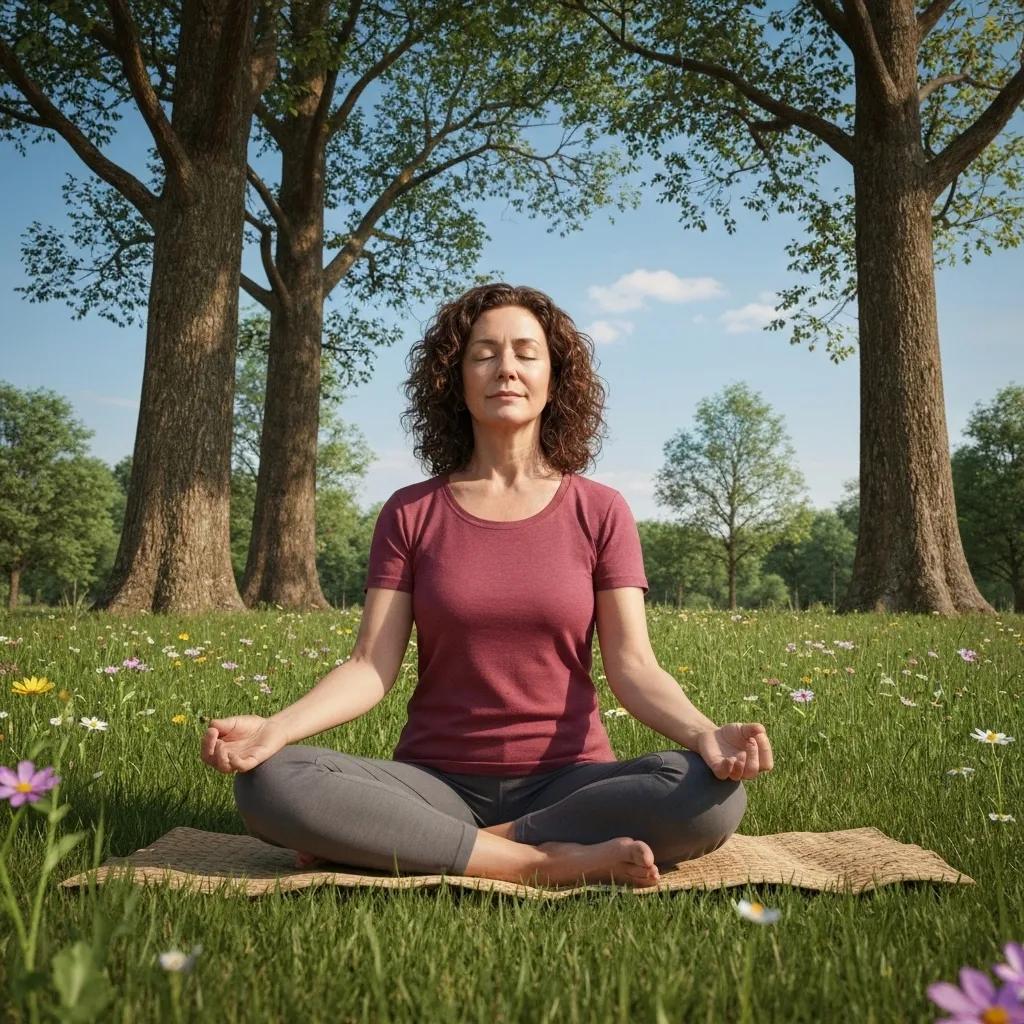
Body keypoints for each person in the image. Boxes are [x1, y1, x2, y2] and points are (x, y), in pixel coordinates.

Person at [200, 282, 773, 889]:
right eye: (484, 354)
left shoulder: (600, 510)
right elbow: (370, 666)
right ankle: (537, 864)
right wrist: (276, 729)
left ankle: (418, 845)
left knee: (712, 794)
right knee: (269, 781)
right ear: (456, 377)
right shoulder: (410, 511)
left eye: (526, 353)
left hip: (571, 785)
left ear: (556, 377)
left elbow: (633, 667)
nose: (507, 369)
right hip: (434, 783)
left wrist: (704, 734)